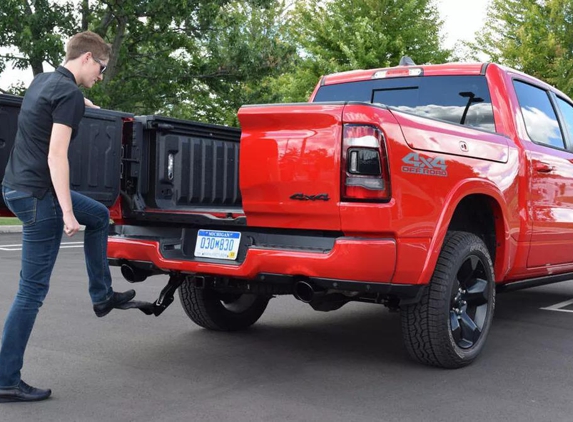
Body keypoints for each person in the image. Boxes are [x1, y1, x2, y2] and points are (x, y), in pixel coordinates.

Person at [0, 31, 136, 403]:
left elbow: (56, 108)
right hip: (40, 195)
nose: (102, 75)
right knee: (31, 291)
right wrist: (66, 211)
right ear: (88, 57)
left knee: (97, 216)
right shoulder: (68, 95)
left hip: (15, 187)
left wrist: (84, 103)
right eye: (102, 68)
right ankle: (5, 379)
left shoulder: (44, 81)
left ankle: (101, 295)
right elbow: (56, 155)